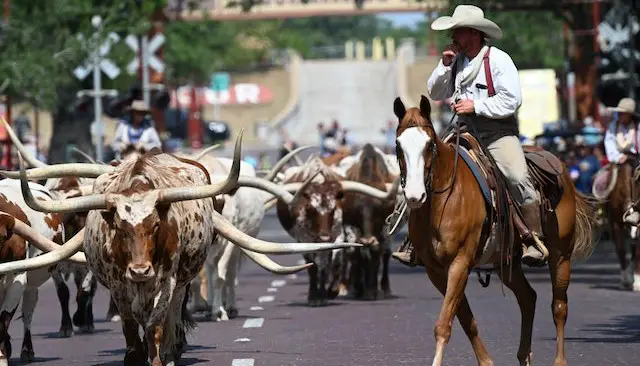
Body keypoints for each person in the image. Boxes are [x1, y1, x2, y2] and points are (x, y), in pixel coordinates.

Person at [390, 4, 549, 267]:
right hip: (462, 131)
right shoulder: (455, 62)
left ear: (474, 33)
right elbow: (436, 93)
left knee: (516, 176)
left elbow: (512, 100)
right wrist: (443, 66)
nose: (453, 37)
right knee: (426, 166)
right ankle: (415, 240)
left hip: (497, 134)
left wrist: (477, 106)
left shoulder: (498, 60)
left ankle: (531, 238)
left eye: (458, 31)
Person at [603, 97, 640, 224]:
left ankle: (635, 205)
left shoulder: (637, 127)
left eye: (622, 113)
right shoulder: (613, 126)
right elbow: (609, 142)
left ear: (629, 114)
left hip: (635, 159)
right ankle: (605, 203)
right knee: (605, 179)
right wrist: (618, 157)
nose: (619, 115)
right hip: (618, 159)